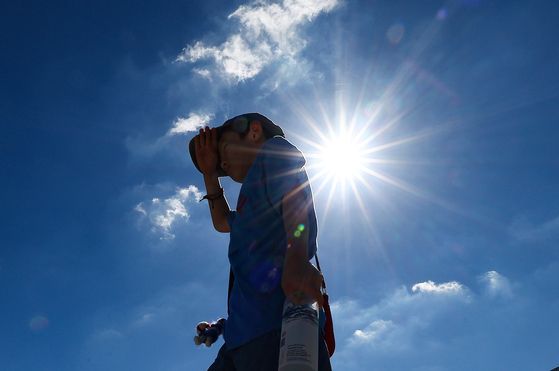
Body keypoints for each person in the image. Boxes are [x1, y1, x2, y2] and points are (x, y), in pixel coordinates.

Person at [189, 113, 332, 370]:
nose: (223, 161)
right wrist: (210, 173)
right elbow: (222, 221)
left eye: (224, 149)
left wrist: (297, 259)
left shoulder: (273, 150)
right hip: (239, 338)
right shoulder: (246, 204)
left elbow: (295, 201)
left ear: (254, 132)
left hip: (278, 324)